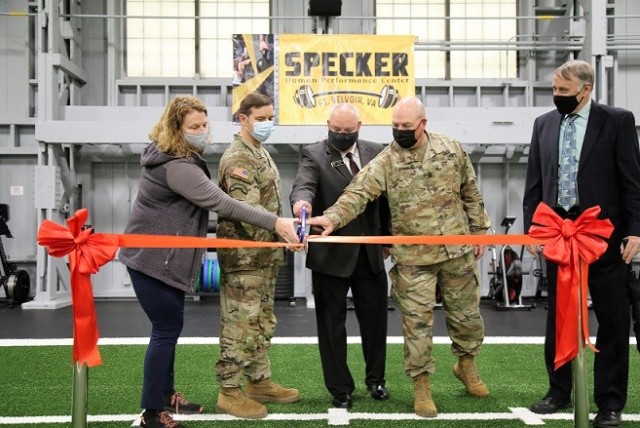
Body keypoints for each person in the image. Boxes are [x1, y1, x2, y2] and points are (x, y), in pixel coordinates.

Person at [118, 96, 299, 428]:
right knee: (165, 331)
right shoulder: (176, 166)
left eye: (204, 125)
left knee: (168, 329)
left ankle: (167, 396)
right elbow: (222, 202)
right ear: (176, 128)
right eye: (194, 127)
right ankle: (151, 413)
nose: (202, 131)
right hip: (152, 260)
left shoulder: (180, 156)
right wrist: (277, 224)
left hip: (163, 260)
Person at [309, 96, 491, 418]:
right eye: (395, 127)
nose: (400, 132)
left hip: (456, 251)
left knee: (466, 317)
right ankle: (421, 385)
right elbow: (358, 191)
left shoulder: (450, 148)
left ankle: (466, 364)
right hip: (414, 259)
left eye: (406, 127)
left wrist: (480, 230)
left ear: (423, 123)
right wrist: (332, 218)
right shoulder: (386, 159)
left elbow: (470, 191)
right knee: (416, 325)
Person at [523, 59, 640, 428]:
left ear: (585, 89)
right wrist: (533, 229)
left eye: (563, 90)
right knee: (559, 317)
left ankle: (609, 402)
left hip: (605, 237)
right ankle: (558, 391)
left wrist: (635, 230)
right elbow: (535, 183)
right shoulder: (543, 124)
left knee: (612, 320)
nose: (556, 96)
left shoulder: (618, 121)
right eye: (554, 90)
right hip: (559, 235)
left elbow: (632, 181)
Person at [289, 103, 391, 409]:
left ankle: (376, 381)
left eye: (348, 131)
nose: (342, 135)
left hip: (370, 253)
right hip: (330, 256)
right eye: (337, 130)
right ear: (327, 125)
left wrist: (387, 237)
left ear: (359, 126)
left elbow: (385, 198)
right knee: (331, 325)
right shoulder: (313, 154)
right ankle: (340, 388)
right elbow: (303, 188)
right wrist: (301, 208)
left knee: (376, 323)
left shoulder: (377, 151)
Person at [214, 92, 300, 419]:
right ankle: (230, 391)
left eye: (270, 117)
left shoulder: (259, 152)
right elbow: (247, 209)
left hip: (263, 256)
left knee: (263, 321)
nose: (267, 123)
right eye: (261, 118)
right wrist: (283, 231)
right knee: (241, 324)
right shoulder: (238, 157)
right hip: (243, 258)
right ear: (244, 119)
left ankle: (258, 381)